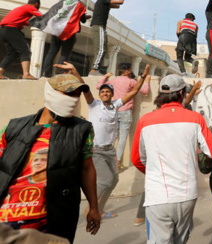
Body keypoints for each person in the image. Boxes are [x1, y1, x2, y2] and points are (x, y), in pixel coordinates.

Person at [0, 71, 100, 242]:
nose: (74, 99)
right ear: (50, 93)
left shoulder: (82, 130)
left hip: (54, 219)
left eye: (77, 94)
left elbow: (87, 168)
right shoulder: (14, 127)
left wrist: (94, 207)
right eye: (68, 93)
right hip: (9, 217)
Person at [131, 74, 212, 243]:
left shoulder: (145, 121)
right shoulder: (195, 119)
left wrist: (153, 170)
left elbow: (137, 159)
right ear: (181, 94)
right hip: (187, 195)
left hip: (157, 196)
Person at [58, 62, 148, 219]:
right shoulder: (94, 105)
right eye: (103, 92)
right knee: (105, 181)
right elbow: (85, 88)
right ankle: (91, 209)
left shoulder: (115, 105)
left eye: (108, 92)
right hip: (96, 150)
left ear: (112, 94)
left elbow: (134, 91)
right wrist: (75, 72)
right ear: (100, 95)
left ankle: (100, 209)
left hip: (109, 150)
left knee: (113, 180)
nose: (105, 93)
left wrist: (144, 76)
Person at [95, 63, 150, 171]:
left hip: (113, 111)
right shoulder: (131, 81)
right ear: (127, 71)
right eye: (130, 69)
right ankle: (117, 163)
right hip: (125, 112)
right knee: (122, 138)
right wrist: (147, 80)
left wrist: (106, 76)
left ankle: (107, 161)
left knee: (112, 137)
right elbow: (145, 92)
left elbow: (98, 86)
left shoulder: (113, 81)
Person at [38, 0, 90, 77]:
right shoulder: (79, 6)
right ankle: (59, 73)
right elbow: (83, 20)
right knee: (64, 54)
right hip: (69, 32)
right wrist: (86, 17)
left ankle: (45, 73)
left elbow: (52, 14)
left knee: (52, 52)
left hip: (56, 31)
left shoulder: (60, 3)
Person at [0, 0, 42, 79]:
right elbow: (42, 16)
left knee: (12, 54)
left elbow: (22, 21)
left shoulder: (20, 8)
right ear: (36, 4)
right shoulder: (30, 7)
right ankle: (26, 74)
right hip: (12, 30)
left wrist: (32, 23)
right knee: (25, 51)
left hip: (4, 30)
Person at [89, 0, 125, 75]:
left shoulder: (104, 4)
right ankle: (94, 69)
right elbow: (120, 2)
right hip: (99, 26)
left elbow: (117, 6)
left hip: (99, 27)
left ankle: (96, 69)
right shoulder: (101, 0)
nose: (112, 1)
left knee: (103, 49)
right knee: (101, 49)